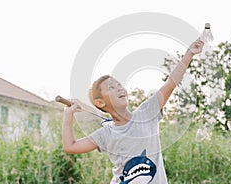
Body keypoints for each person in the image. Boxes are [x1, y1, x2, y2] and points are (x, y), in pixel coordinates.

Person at [62, 38, 204, 183]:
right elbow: (70, 146)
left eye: (119, 85)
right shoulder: (106, 134)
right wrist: (68, 114)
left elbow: (170, 83)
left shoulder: (147, 112)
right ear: (100, 102)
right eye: (111, 87)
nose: (119, 88)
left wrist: (188, 55)